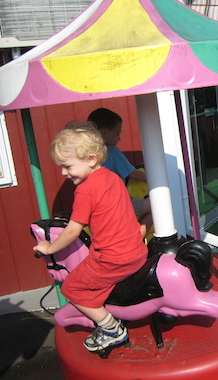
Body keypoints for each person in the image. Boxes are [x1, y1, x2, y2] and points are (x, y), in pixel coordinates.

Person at [33, 122, 148, 352]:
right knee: (93, 281)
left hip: (112, 258)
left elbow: (74, 230)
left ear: (91, 159)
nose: (63, 173)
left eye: (67, 166)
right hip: (136, 250)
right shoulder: (113, 178)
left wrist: (49, 248)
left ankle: (112, 329)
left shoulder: (85, 191)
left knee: (72, 288)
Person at [88, 108, 152, 237]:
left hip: (97, 209)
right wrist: (152, 178)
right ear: (104, 132)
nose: (120, 138)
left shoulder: (87, 155)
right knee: (157, 207)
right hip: (118, 203)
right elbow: (133, 174)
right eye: (117, 133)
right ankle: (138, 238)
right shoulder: (112, 152)